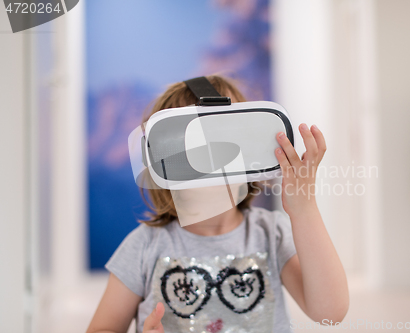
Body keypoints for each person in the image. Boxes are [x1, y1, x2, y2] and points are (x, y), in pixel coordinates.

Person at [86, 75, 349, 333]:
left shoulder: (271, 233)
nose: (213, 159)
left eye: (228, 142)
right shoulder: (144, 246)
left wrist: (304, 210)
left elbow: (330, 313)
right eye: (193, 148)